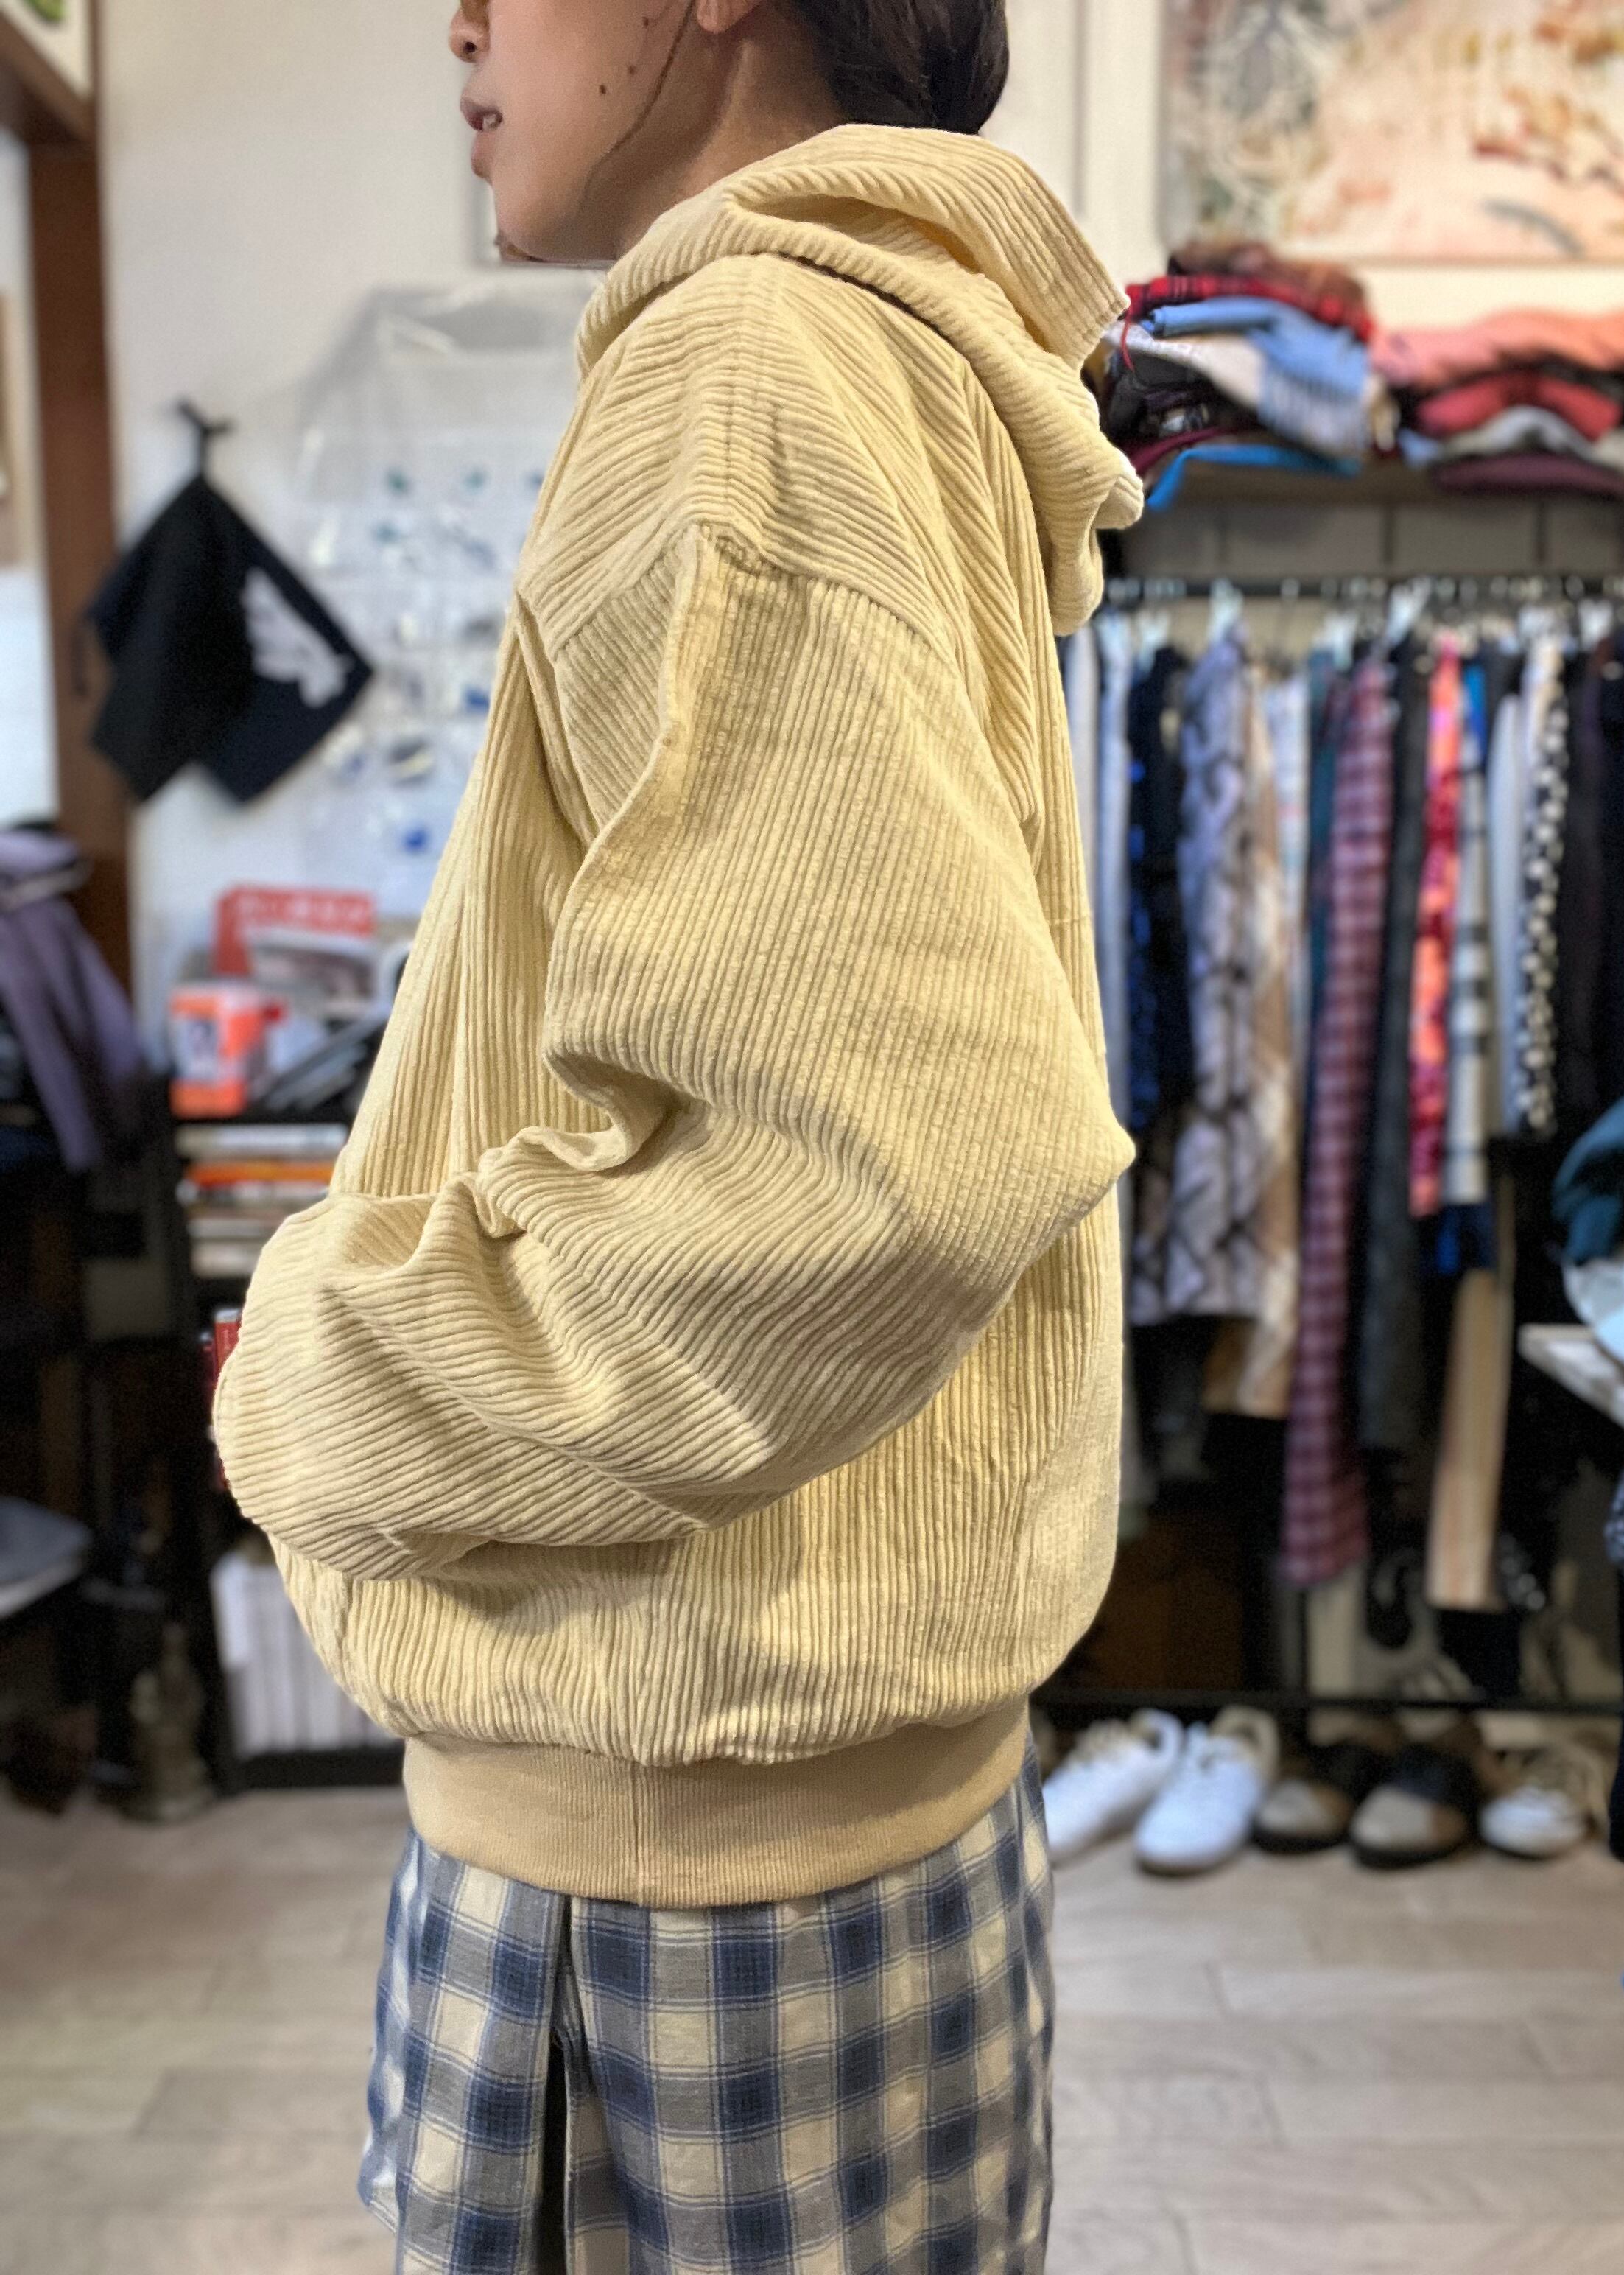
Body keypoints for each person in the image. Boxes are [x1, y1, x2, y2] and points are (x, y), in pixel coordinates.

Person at [214, 1, 1142, 2264]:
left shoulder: (748, 361)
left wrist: (322, 1370)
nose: (455, 20)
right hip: (789, 1777)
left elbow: (870, 1173)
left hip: (666, 1843)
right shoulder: (873, 350)